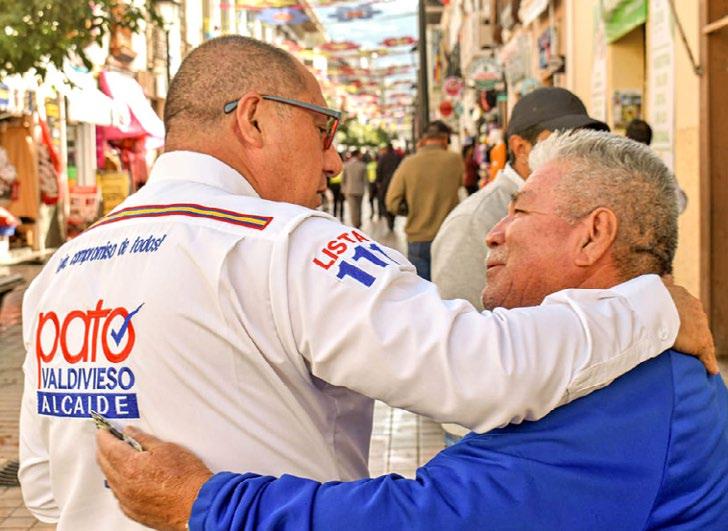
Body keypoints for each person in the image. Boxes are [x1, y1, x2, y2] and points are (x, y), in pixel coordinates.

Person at [19, 36, 711, 530]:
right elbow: (487, 369)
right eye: (323, 128)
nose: (332, 159)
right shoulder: (289, 246)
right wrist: (651, 305)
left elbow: (45, 489)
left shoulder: (63, 269)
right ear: (253, 118)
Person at [432, 87, 609, 310]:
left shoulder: (583, 206)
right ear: (521, 148)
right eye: (565, 143)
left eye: (584, 143)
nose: (578, 154)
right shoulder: (474, 220)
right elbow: (461, 317)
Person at [386, 121, 464, 280]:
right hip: (447, 235)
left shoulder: (408, 163)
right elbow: (462, 185)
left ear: (423, 139)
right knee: (446, 289)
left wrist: (413, 209)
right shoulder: (455, 160)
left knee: (423, 289)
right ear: (445, 139)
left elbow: (392, 203)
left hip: (418, 238)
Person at [375, 143, 400, 231]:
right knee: (393, 199)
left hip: (385, 183)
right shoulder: (397, 157)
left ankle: (388, 217)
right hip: (396, 182)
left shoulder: (383, 158)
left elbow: (378, 170)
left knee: (385, 199)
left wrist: (378, 181)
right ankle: (392, 217)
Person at [341, 149, 367, 228]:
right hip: (360, 190)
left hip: (349, 190)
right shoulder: (363, 165)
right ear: (357, 155)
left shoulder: (346, 165)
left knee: (352, 208)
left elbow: (343, 179)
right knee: (359, 207)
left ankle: (354, 223)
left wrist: (343, 189)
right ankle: (358, 223)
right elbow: (365, 179)